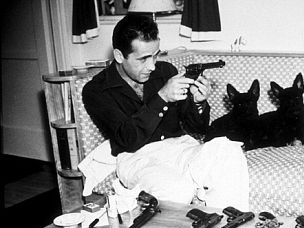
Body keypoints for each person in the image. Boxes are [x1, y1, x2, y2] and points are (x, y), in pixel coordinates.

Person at [82, 14, 249, 210]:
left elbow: (198, 128)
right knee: (178, 189)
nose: (152, 66)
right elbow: (127, 139)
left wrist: (199, 102)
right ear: (119, 56)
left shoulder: (165, 71)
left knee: (227, 149)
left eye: (155, 55)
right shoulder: (96, 90)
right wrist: (161, 98)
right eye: (143, 59)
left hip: (180, 148)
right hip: (137, 157)